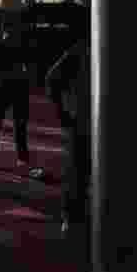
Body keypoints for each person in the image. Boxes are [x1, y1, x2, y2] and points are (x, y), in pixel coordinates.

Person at [46, 30, 91, 238]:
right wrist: (63, 111)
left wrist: (63, 111)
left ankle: (73, 216)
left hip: (83, 119)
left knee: (78, 168)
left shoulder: (79, 50)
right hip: (83, 120)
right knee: (78, 169)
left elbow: (53, 80)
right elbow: (53, 79)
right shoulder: (80, 51)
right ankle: (72, 216)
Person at [0, 25, 31, 166]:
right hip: (15, 85)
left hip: (3, 85)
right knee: (18, 124)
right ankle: (21, 157)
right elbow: (27, 68)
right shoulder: (19, 46)